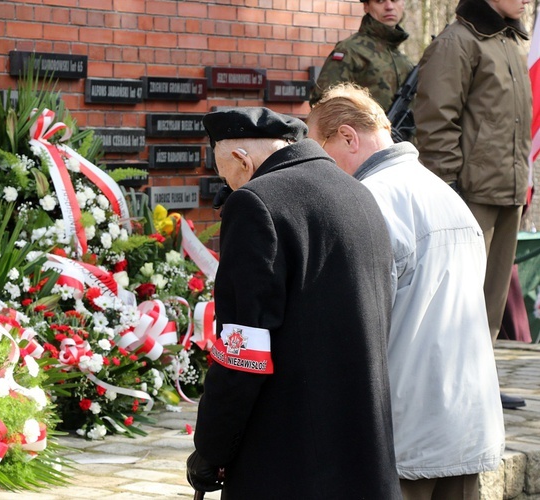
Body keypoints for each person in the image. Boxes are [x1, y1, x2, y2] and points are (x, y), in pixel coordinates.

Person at [186, 107, 401, 499]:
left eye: (226, 177)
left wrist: (211, 447)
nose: (229, 189)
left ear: (241, 159)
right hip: (363, 445)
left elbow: (243, 350)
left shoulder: (255, 203)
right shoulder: (357, 192)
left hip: (289, 455)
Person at [306, 83, 504, 500]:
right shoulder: (444, 194)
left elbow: (354, 327)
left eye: (320, 153)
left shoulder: (368, 201)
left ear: (347, 136)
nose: (321, 169)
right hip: (466, 421)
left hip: (404, 433)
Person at [413, 0, 531, 409]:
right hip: (469, 195)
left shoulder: (511, 42)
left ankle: (479, 384)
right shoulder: (459, 41)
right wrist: (448, 191)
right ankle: (443, 391)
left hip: (507, 190)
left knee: (490, 302)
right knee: (456, 301)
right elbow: (435, 119)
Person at [309, 0, 413, 112]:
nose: (389, 6)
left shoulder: (403, 60)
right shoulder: (350, 50)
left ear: (403, 3)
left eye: (394, 0)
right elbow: (323, 103)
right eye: (380, 1)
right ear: (366, 6)